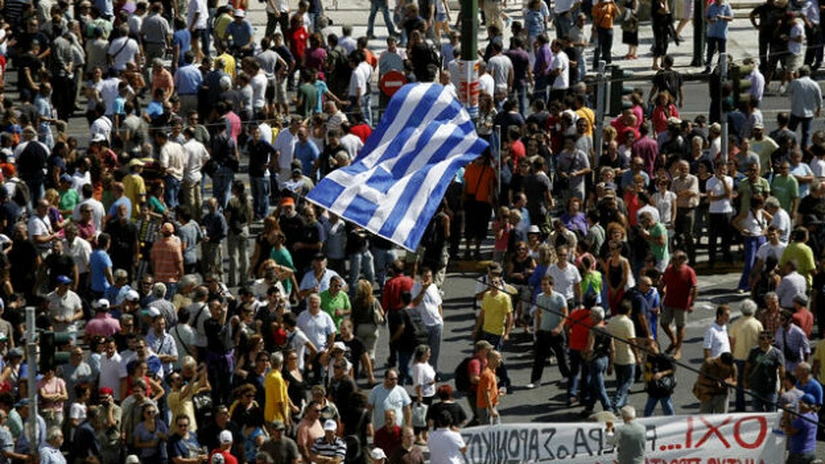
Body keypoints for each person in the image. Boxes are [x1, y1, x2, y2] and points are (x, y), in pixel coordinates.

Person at [660, 251, 697, 360]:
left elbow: (695, 288)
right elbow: (664, 282)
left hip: (682, 304)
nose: (675, 262)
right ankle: (674, 341)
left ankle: (678, 349)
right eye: (674, 259)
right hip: (669, 301)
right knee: (663, 323)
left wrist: (692, 304)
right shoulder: (669, 269)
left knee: (680, 326)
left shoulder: (689, 271)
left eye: (678, 259)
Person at [744, 330, 786, 412]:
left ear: (771, 340)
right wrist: (745, 380)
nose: (765, 341)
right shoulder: (754, 351)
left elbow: (782, 371)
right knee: (757, 412)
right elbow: (747, 367)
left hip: (771, 388)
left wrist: (782, 387)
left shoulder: (777, 353)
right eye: (762, 338)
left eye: (768, 338)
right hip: (756, 387)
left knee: (772, 412)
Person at [784, 393, 818, 464]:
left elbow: (789, 432)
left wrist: (786, 416)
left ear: (804, 405)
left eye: (800, 403)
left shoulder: (801, 419)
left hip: (799, 454)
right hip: (811, 451)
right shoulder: (815, 415)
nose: (798, 405)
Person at [476, 349, 502, 425]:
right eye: (498, 358)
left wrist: (497, 392)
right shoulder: (487, 374)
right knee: (487, 430)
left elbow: (490, 389)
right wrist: (491, 410)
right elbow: (486, 394)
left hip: (491, 405)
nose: (500, 360)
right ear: (491, 359)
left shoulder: (492, 370)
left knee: (497, 427)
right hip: (486, 407)